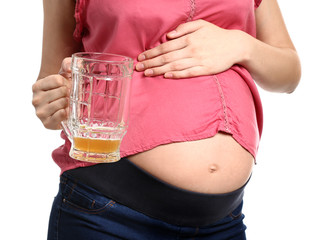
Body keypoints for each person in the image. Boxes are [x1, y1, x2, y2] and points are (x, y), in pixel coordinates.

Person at [32, 0, 301, 239]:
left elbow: (289, 74)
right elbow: (53, 87)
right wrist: (54, 101)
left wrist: (242, 45)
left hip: (223, 224)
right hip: (107, 216)